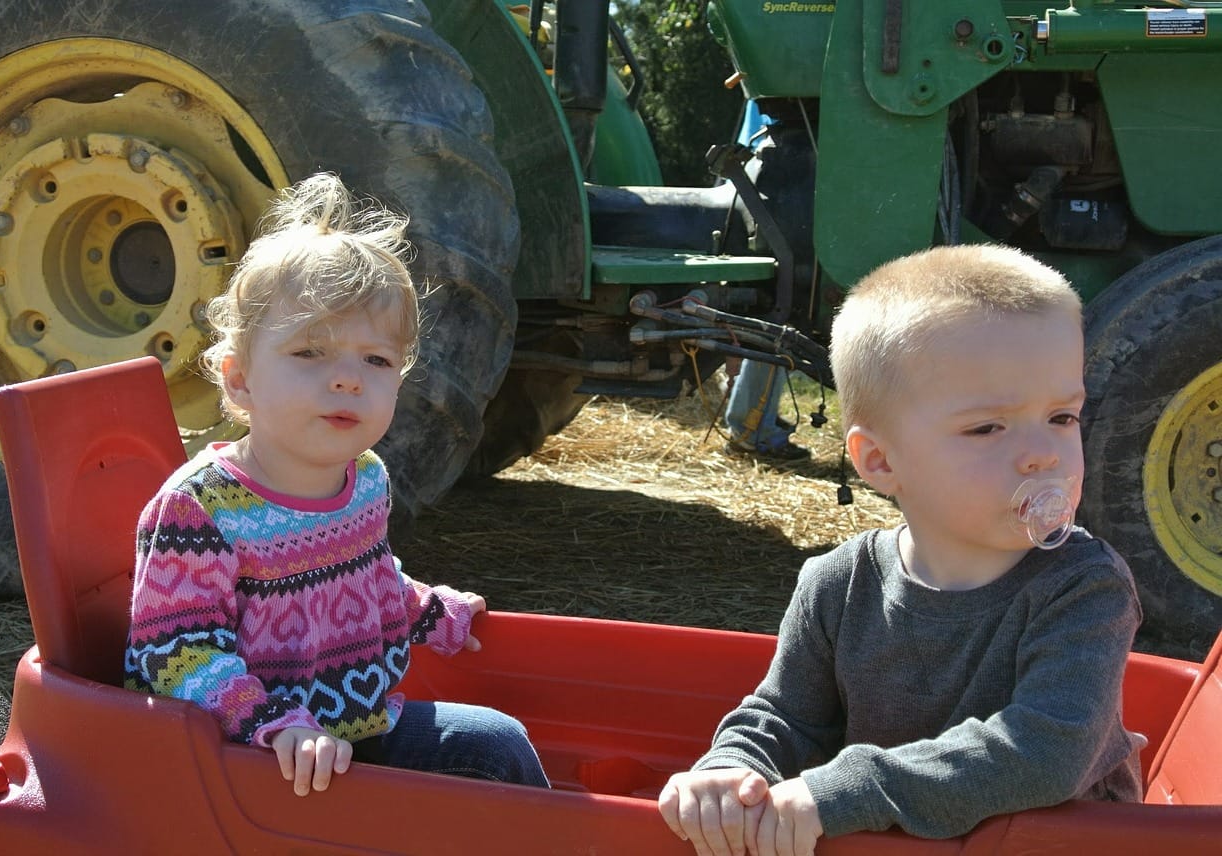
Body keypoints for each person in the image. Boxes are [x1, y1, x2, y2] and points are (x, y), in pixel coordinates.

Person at [659, 244, 1143, 856]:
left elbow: (1046, 750)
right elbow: (786, 717)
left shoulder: (1084, 586)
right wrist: (731, 771)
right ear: (881, 461)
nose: (1043, 454)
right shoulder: (838, 585)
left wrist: (850, 789)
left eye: (1062, 417)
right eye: (987, 427)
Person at [123, 172, 549, 797]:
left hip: (350, 734)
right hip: (250, 764)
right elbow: (174, 650)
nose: (349, 379)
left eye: (375, 361)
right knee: (493, 749)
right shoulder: (201, 508)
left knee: (495, 742)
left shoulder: (364, 479)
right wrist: (272, 724)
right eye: (310, 353)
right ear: (239, 380)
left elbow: (366, 579)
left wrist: (424, 610)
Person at [722, 100, 809, 461]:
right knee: (775, 317)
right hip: (772, 193)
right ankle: (750, 428)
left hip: (761, 185)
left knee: (769, 318)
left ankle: (751, 421)